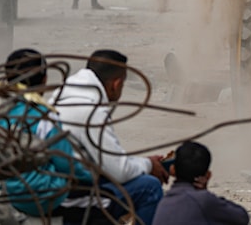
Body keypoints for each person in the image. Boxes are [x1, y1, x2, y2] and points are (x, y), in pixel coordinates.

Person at [52, 50, 169, 225]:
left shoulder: (62, 93)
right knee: (149, 187)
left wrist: (144, 163)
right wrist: (149, 165)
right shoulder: (93, 111)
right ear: (117, 83)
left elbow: (109, 160)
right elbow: (120, 171)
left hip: (55, 185)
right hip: (74, 198)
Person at [0, 49, 95, 217]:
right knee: (109, 198)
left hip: (5, 193)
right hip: (42, 197)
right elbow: (65, 163)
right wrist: (93, 177)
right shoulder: (43, 116)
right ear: (45, 80)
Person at [152, 141, 249, 225]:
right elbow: (242, 217)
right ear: (208, 175)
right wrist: (206, 193)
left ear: (172, 170)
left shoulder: (163, 201)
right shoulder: (204, 200)